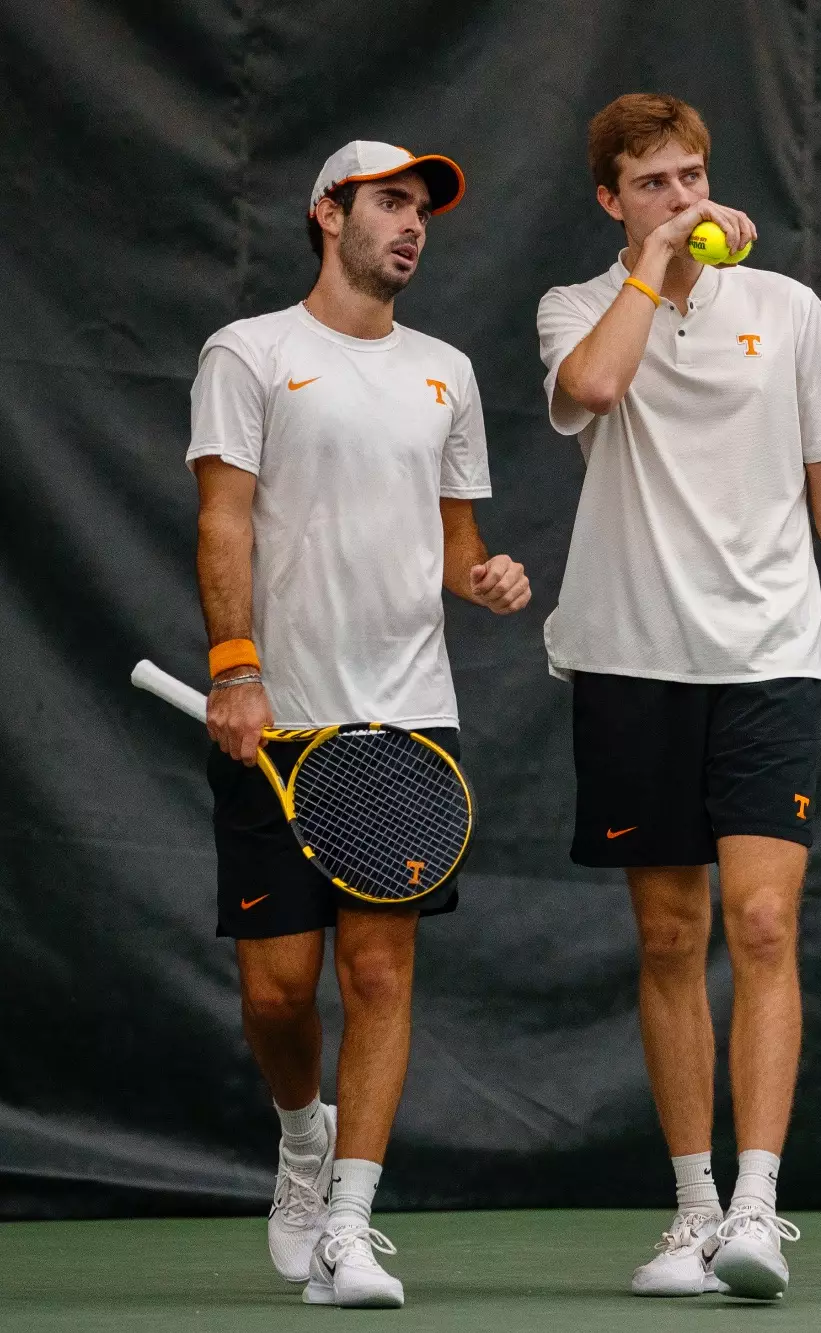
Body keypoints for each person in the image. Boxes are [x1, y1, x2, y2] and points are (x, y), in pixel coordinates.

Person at [536, 93, 821, 1301]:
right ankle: (692, 1212)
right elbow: (598, 389)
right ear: (610, 198)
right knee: (668, 935)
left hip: (769, 658)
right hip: (627, 659)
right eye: (653, 184)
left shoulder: (789, 312)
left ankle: (758, 1208)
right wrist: (657, 267)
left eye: (695, 177)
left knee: (760, 925)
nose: (683, 199)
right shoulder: (574, 310)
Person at [187, 141, 531, 1309]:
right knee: (280, 994)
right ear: (326, 214)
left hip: (406, 719)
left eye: (423, 207)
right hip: (275, 718)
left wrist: (483, 580)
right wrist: (236, 668)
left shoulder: (446, 370)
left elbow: (456, 547)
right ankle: (301, 1138)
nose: (413, 223)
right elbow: (223, 520)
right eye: (390, 202)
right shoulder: (250, 353)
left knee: (379, 972)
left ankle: (350, 1222)